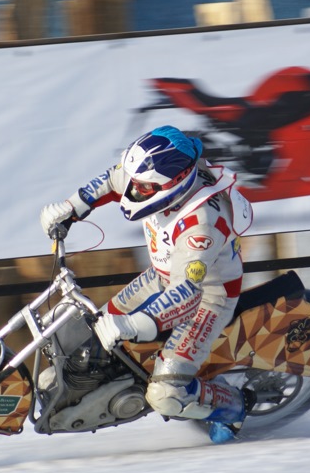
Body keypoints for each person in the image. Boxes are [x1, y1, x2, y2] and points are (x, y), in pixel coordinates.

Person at [39, 125, 255, 443]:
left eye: (142, 186)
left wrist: (135, 324)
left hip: (209, 296)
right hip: (160, 275)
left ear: (174, 184)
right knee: (96, 332)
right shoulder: (158, 174)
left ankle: (233, 408)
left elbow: (187, 293)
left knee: (165, 394)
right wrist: (71, 208)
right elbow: (115, 180)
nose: (134, 190)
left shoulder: (202, 224)